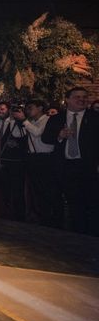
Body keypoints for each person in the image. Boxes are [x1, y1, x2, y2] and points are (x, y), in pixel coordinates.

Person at [42, 87, 99, 235]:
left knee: (91, 203)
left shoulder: (95, 118)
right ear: (67, 99)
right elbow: (46, 138)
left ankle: (91, 235)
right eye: (77, 97)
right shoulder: (57, 118)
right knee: (72, 204)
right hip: (65, 167)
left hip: (88, 167)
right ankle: (74, 234)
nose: (82, 99)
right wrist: (59, 135)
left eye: (84, 97)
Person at [14, 99, 57, 225]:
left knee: (46, 189)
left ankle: (49, 217)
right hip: (32, 158)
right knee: (35, 189)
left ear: (40, 108)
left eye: (30, 107)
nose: (28, 110)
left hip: (45, 158)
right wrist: (16, 120)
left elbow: (38, 132)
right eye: (26, 108)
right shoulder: (30, 121)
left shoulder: (47, 120)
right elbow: (17, 134)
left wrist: (24, 121)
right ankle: (39, 215)